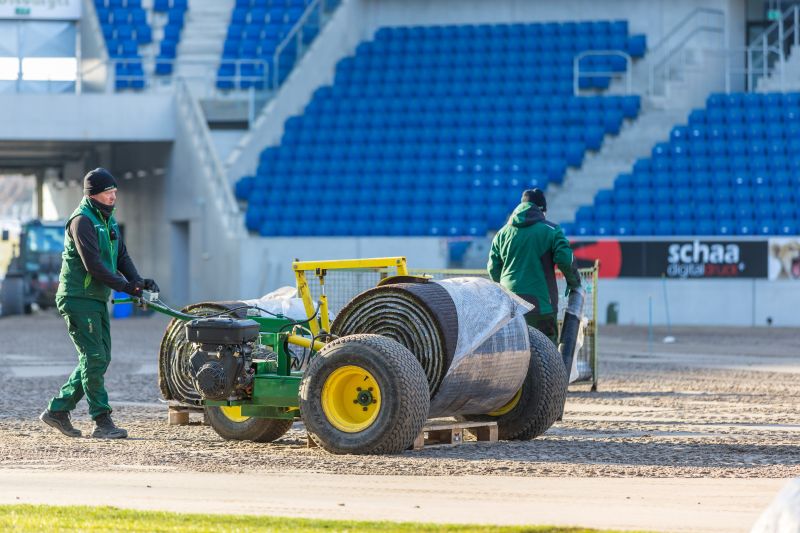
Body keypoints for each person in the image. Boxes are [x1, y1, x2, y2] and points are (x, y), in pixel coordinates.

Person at [40, 168, 159, 439]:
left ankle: (58, 411)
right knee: (94, 357)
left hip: (95, 298)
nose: (114, 196)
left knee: (99, 358)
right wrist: (126, 288)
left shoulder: (108, 221)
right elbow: (93, 265)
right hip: (76, 297)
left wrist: (140, 282)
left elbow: (121, 257)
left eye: (115, 192)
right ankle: (102, 421)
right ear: (93, 194)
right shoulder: (82, 221)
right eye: (109, 192)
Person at [488, 188, 581, 345]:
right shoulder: (551, 230)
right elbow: (565, 259)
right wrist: (575, 284)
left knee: (514, 354)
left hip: (509, 307)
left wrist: (507, 291)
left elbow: (493, 269)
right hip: (541, 306)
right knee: (546, 357)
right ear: (542, 210)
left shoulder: (502, 233)